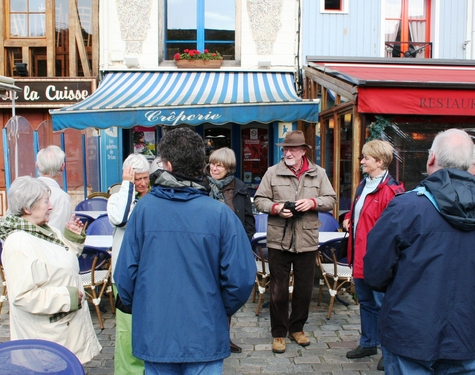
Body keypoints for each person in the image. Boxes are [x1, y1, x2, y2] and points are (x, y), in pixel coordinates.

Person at [114, 128, 256, 374]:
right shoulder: (220, 213)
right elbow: (241, 279)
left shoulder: (144, 210)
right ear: (201, 165)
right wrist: (216, 309)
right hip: (204, 331)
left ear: (166, 164)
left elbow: (125, 277)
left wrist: (147, 308)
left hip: (157, 331)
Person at [363, 129, 475, 374]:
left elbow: (375, 272)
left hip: (411, 333)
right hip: (464, 333)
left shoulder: (407, 206)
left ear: (431, 158)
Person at [0, 176, 101, 364]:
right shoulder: (19, 243)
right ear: (28, 208)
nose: (51, 206)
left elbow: (59, 263)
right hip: (45, 342)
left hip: (61, 333)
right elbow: (22, 296)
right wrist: (66, 297)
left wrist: (72, 239)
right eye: (45, 201)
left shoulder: (43, 230)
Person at [254, 130, 336, 354]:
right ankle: (279, 333)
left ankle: (297, 328)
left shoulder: (318, 173)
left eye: (292, 149)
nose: (287, 152)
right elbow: (260, 200)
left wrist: (312, 202)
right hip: (279, 239)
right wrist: (276, 208)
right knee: (278, 291)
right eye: (285, 149)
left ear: (303, 151)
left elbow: (331, 199)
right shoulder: (272, 172)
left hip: (307, 239)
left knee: (304, 290)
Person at [342, 140, 404, 368]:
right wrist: (349, 218)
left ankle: (388, 352)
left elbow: (394, 230)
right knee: (366, 302)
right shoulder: (364, 184)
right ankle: (368, 342)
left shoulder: (391, 191)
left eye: (366, 158)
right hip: (360, 256)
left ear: (380, 161)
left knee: (383, 305)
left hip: (378, 259)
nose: (362, 161)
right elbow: (360, 211)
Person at [206, 147, 255, 353]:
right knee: (207, 294)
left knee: (227, 294)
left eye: (219, 165)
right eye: (212, 163)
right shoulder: (201, 186)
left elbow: (248, 223)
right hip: (207, 250)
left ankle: (223, 338)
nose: (214, 168)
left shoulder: (239, 188)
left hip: (230, 251)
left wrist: (240, 245)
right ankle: (209, 338)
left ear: (229, 167)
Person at [107, 153, 150, 375]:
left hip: (149, 275)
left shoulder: (154, 199)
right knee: (127, 330)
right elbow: (120, 218)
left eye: (145, 178)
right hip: (125, 275)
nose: (142, 183)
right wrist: (126, 185)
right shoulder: (117, 198)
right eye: (137, 179)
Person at [36, 145, 72, 232]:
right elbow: (58, 234)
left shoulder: (21, 191)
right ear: (62, 166)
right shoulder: (62, 198)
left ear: (37, 165)